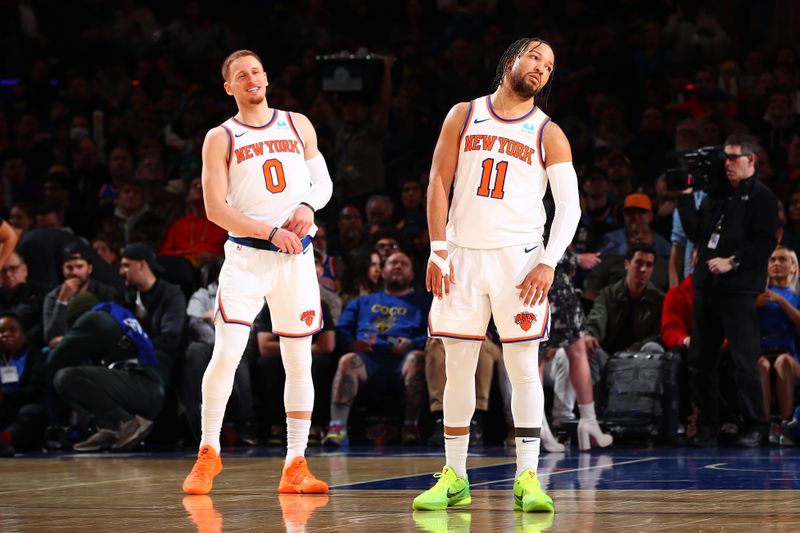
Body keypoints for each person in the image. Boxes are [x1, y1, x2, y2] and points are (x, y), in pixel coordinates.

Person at [415, 38, 580, 514]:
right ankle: (455, 477)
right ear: (510, 61)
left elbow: (569, 206)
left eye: (549, 66)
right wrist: (437, 249)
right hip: (462, 255)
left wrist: (549, 261)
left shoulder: (549, 132)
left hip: (520, 261)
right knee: (459, 366)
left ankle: (528, 476)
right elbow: (437, 183)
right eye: (535, 58)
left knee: (524, 367)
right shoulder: (463, 114)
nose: (541, 69)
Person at [183, 50, 332, 496]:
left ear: (266, 78)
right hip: (247, 259)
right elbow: (215, 209)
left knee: (298, 360)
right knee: (226, 353)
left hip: (295, 261)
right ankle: (208, 451)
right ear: (228, 86)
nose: (251, 79)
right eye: (240, 75)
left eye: (256, 72)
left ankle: (296, 464)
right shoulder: (220, 137)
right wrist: (269, 231)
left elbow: (321, 183)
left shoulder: (297, 123)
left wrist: (308, 205)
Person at [678, 133, 779, 448]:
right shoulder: (716, 197)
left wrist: (732, 261)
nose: (727, 164)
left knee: (743, 359)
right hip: (707, 287)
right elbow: (696, 232)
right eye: (726, 158)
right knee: (700, 360)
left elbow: (764, 243)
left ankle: (756, 425)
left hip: (738, 291)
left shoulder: (762, 197)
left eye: (734, 157)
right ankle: (709, 426)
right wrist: (685, 195)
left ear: (751, 160)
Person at [322, 251, 429, 446]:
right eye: (392, 263)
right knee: (347, 360)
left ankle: (410, 426)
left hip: (403, 360)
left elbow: (433, 333)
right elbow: (342, 329)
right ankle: (337, 427)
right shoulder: (363, 302)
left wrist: (412, 344)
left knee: (417, 358)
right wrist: (352, 343)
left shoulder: (423, 303)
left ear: (412, 274)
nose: (397, 266)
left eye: (403, 263)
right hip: (368, 360)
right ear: (383, 272)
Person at [756, 246, 800, 441]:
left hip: (790, 355)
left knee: (783, 361)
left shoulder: (796, 295)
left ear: (793, 267)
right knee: (761, 365)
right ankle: (763, 426)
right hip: (762, 351)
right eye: (772, 260)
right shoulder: (759, 294)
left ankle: (786, 424)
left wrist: (781, 302)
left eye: (782, 260)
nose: (776, 264)